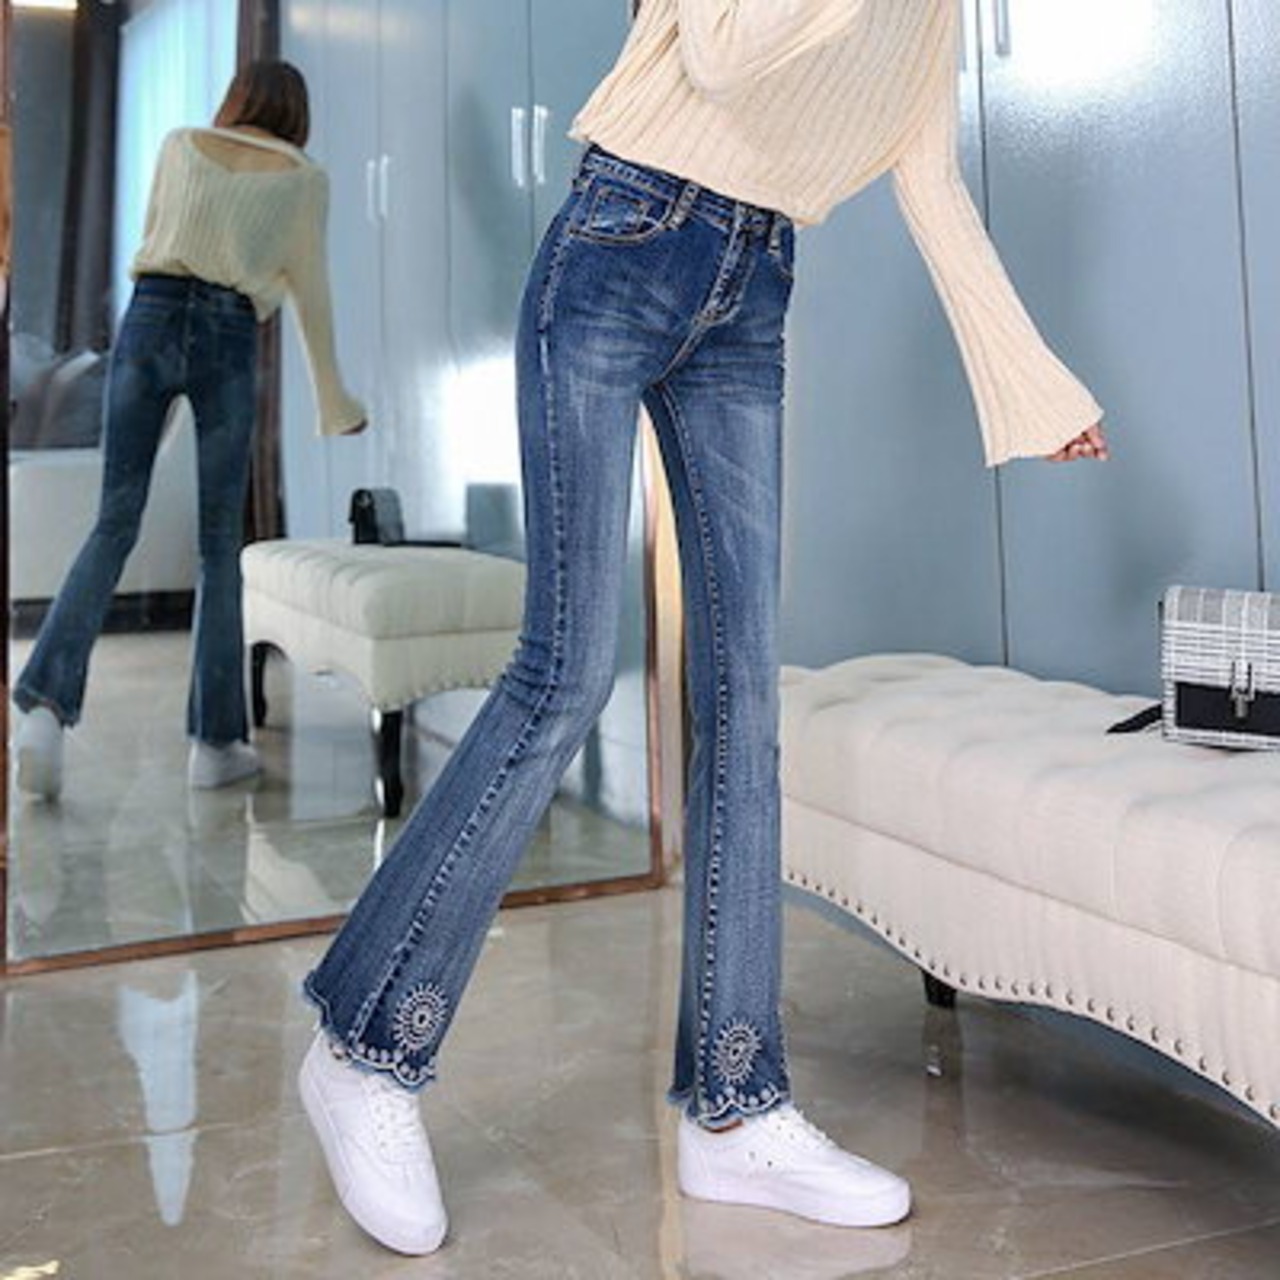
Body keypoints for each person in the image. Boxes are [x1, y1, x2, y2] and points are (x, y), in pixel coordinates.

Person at [297, 0, 1109, 1257]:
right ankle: (363, 1046)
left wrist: (1033, 385)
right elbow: (723, 52)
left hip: (754, 286)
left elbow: (932, 183)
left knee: (746, 699)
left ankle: (736, 1106)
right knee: (564, 668)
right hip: (622, 235)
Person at [12, 60, 365, 800]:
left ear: (236, 99)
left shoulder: (180, 144)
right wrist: (334, 400)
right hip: (229, 335)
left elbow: (153, 238)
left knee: (113, 524)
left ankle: (42, 712)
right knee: (217, 545)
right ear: (296, 114)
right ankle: (215, 744)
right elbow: (313, 293)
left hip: (151, 314)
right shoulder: (304, 179)